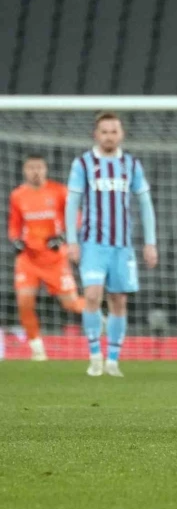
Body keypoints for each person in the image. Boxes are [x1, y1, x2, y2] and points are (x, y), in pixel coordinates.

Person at [65, 112, 158, 377]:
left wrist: (150, 242)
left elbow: (145, 204)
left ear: (121, 134)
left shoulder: (131, 164)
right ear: (96, 134)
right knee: (92, 296)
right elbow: (72, 204)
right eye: (104, 131)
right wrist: (72, 241)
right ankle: (95, 355)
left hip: (122, 247)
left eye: (113, 131)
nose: (109, 136)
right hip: (92, 244)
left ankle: (113, 360)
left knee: (118, 300)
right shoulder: (83, 163)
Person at [8, 155, 85, 361]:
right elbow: (14, 224)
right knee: (24, 303)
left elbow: (76, 218)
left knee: (71, 304)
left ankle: (96, 312)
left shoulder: (58, 191)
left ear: (45, 169)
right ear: (24, 170)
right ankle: (37, 350)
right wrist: (15, 240)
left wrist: (62, 237)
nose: (35, 172)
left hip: (54, 258)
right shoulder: (18, 195)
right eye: (31, 167)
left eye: (39, 167)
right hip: (28, 259)